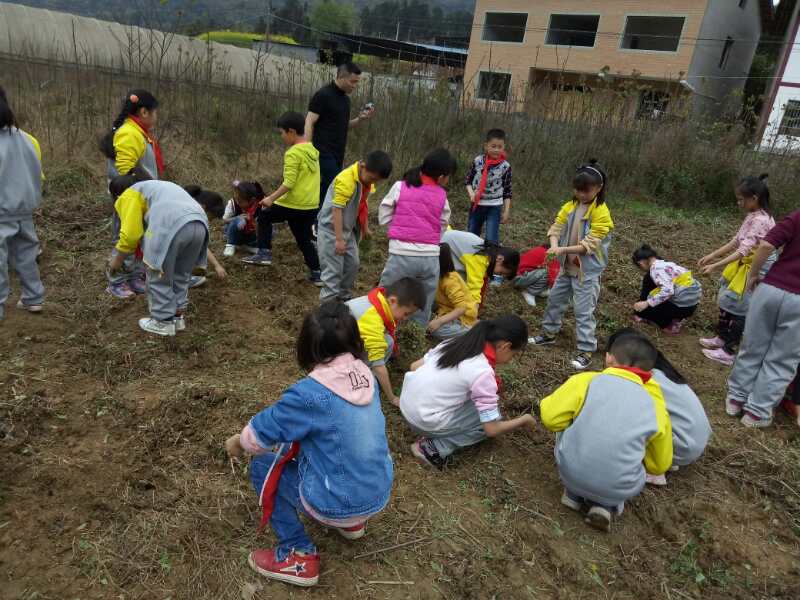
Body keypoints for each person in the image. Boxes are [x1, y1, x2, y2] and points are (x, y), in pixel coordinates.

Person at [225, 301, 393, 588]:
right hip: (378, 491)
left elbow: (258, 436)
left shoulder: (309, 394)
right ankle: (352, 525)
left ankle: (297, 554)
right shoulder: (366, 375)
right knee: (335, 444)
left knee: (264, 464)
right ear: (355, 340)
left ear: (308, 346)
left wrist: (236, 442)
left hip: (338, 501)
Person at [539, 330, 672, 532]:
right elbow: (660, 464)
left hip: (570, 472)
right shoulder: (655, 404)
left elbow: (550, 418)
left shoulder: (586, 381)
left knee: (566, 424)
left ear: (609, 357)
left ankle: (572, 494)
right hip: (619, 487)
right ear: (651, 372)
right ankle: (605, 505)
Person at [400, 315, 535, 469]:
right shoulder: (482, 371)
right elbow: (491, 429)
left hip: (406, 403)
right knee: (490, 416)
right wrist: (524, 420)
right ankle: (431, 448)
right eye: (514, 354)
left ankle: (433, 427)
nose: (511, 359)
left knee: (476, 403)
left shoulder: (457, 343)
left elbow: (414, 367)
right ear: (505, 346)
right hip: (421, 419)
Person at [529, 160, 614, 371]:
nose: (581, 194)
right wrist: (554, 245)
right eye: (578, 190)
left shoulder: (601, 213)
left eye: (586, 191)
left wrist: (561, 250)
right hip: (567, 268)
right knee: (555, 300)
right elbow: (556, 228)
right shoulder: (570, 207)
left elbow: (588, 245)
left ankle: (586, 350)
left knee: (583, 311)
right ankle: (548, 334)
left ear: (599, 188)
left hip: (587, 272)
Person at [106, 172, 209, 337]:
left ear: (117, 195)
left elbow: (131, 234)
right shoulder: (159, 187)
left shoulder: (129, 194)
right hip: (199, 224)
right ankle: (177, 317)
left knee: (158, 274)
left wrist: (116, 261)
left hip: (170, 225)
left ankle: (162, 322)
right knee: (181, 274)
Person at [725, 208, 800, 428]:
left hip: (771, 289)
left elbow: (767, 245)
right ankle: (756, 413)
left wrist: (754, 274)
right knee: (782, 359)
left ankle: (736, 399)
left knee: (752, 346)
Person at [607, 329, 711, 486]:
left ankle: (656, 469)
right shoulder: (662, 373)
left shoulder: (644, 380)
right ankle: (669, 459)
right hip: (694, 441)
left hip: (681, 444)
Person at [698, 175, 775, 366]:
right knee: (728, 298)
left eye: (742, 199)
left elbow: (743, 251)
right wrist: (712, 255)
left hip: (756, 266)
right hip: (745, 262)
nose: (739, 202)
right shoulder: (752, 215)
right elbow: (736, 241)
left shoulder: (762, 220)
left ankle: (729, 350)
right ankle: (721, 337)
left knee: (740, 305)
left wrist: (715, 266)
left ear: (754, 198)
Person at [243, 113, 322, 285]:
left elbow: (289, 183)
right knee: (303, 238)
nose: (282, 136)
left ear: (292, 131)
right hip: (310, 206)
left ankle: (264, 253)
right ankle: (317, 272)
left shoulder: (293, 153)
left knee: (264, 216)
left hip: (293, 203)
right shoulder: (312, 150)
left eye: (282, 133)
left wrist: (270, 198)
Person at [378, 148, 455, 326]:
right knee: (424, 300)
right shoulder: (442, 195)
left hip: (401, 253)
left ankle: (382, 327)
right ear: (442, 177)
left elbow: (384, 211)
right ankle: (415, 334)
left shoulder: (400, 186)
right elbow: (443, 223)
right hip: (430, 258)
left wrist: (394, 226)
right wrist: (431, 237)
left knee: (388, 292)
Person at [100, 90, 163, 299]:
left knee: (141, 237)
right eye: (155, 112)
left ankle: (135, 275)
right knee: (126, 236)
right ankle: (116, 281)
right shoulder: (129, 133)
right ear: (144, 112)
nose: (156, 117)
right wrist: (135, 200)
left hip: (142, 195)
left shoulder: (139, 133)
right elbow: (125, 172)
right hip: (130, 197)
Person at [317, 151, 393, 302]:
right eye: (372, 178)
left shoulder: (366, 182)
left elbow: (362, 204)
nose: (373, 183)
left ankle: (343, 297)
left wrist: (364, 228)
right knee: (333, 271)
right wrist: (338, 240)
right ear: (363, 166)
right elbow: (336, 209)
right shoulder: (346, 180)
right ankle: (327, 308)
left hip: (347, 230)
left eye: (376, 181)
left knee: (352, 264)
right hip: (331, 231)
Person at [306, 62, 375, 221]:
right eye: (353, 81)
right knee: (333, 185)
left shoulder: (345, 101)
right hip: (321, 151)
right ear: (341, 77)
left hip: (338, 153)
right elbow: (309, 121)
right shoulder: (323, 95)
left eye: (357, 82)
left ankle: (316, 221)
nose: (355, 85)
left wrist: (360, 119)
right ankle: (318, 221)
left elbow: (343, 126)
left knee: (326, 188)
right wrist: (307, 149)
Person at [0, 86, 45, 320]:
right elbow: (37, 172)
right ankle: (33, 298)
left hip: (1, 209)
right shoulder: (26, 138)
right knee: (26, 254)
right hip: (25, 208)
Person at [347, 278, 426, 406]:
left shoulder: (377, 300)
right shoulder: (372, 318)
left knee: (387, 341)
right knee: (376, 368)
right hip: (332, 352)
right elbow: (378, 365)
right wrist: (392, 397)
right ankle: (361, 378)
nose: (406, 319)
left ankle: (364, 371)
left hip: (346, 341)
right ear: (393, 301)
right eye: (406, 313)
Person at [632, 244, 702, 334]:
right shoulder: (666, 264)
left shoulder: (655, 270)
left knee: (643, 310)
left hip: (681, 306)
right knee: (654, 298)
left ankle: (667, 324)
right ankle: (676, 319)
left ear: (640, 263)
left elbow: (668, 291)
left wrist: (647, 303)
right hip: (692, 304)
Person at [440, 229, 519, 308]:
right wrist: (473, 311)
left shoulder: (488, 251)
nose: (499, 275)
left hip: (447, 245)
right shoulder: (481, 258)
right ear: (500, 259)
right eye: (501, 272)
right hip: (440, 247)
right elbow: (474, 288)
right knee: (457, 285)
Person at [465, 128, 512, 244]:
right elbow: (468, 181)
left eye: (500, 147)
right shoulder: (477, 161)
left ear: (504, 147)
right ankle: (469, 259)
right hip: (477, 204)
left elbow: (507, 191)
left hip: (494, 206)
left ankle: (490, 260)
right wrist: (471, 194)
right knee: (471, 236)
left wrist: (506, 211)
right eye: (493, 146)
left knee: (491, 239)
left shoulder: (505, 166)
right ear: (486, 146)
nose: (496, 150)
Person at [428, 244, 478, 340]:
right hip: (445, 309)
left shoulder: (449, 281)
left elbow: (461, 308)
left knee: (437, 330)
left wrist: (439, 322)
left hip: (462, 317)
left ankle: (471, 332)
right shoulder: (436, 275)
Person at [184, 185, 228, 287]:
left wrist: (217, 266)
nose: (209, 221)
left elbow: (203, 245)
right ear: (203, 208)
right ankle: (181, 278)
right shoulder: (187, 217)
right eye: (210, 217)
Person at [222, 181, 262, 257]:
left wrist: (253, 221)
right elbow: (225, 220)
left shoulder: (258, 205)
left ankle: (249, 246)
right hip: (235, 232)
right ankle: (231, 244)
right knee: (240, 220)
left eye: (240, 201)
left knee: (269, 228)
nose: (237, 202)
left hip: (251, 233)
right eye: (236, 199)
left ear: (252, 200)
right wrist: (237, 218)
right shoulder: (232, 203)